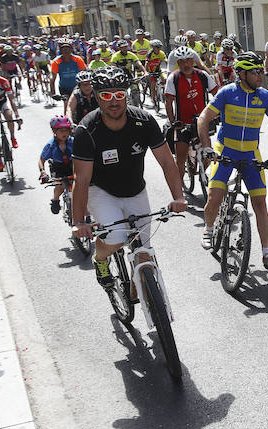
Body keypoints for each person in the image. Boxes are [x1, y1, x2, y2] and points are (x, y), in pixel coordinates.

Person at [70, 66, 188, 289]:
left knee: (143, 248)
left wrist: (178, 197)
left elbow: (166, 162)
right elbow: (82, 180)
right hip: (102, 191)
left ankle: (147, 300)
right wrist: (78, 221)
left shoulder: (143, 120)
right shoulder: (86, 130)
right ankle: (101, 258)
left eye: (119, 95)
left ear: (126, 95)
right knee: (116, 237)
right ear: (96, 97)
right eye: (106, 96)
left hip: (136, 190)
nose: (114, 101)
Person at [195, 52, 268, 269]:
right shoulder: (227, 93)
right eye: (255, 72)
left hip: (250, 152)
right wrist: (207, 146)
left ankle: (266, 253)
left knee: (260, 202)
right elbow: (203, 119)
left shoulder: (264, 96)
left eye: (261, 71)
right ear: (242, 74)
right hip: (225, 149)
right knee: (216, 194)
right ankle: (208, 229)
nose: (260, 76)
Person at [164, 46, 217, 196]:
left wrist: (217, 113)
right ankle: (179, 192)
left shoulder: (203, 76)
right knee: (180, 157)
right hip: (183, 123)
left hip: (202, 122)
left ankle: (197, 168)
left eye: (189, 61)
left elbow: (217, 95)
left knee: (209, 154)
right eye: (182, 62)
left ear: (193, 60)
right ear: (178, 63)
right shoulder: (173, 78)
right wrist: (173, 121)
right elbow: (169, 103)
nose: (186, 65)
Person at [38, 115, 75, 214]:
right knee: (60, 186)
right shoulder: (51, 145)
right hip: (58, 168)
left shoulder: (73, 142)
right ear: (54, 131)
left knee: (80, 186)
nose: (65, 133)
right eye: (61, 131)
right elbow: (41, 160)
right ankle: (55, 200)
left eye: (66, 130)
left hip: (72, 166)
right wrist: (43, 173)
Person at [49, 40, 86, 112]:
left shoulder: (78, 59)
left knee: (82, 106)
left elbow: (85, 72)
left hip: (77, 87)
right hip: (64, 88)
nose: (66, 51)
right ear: (61, 51)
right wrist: (53, 93)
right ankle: (67, 121)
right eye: (63, 49)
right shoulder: (56, 62)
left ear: (71, 50)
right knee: (67, 105)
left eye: (68, 49)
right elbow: (52, 78)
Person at [144, 40, 167, 107]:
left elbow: (166, 61)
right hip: (151, 71)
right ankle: (153, 99)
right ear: (153, 47)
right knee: (153, 85)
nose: (159, 48)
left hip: (158, 70)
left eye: (159, 47)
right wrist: (146, 72)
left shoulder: (162, 53)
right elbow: (146, 63)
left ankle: (163, 93)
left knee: (164, 79)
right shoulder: (150, 53)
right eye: (157, 47)